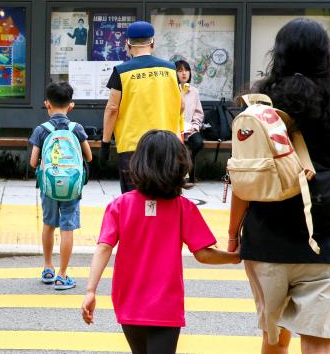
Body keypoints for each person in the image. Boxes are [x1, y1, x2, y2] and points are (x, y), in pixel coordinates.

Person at [228, 18, 330, 354]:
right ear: (325, 58)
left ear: (278, 55)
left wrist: (232, 234)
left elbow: (244, 177)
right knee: (318, 342)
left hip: (265, 242)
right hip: (325, 242)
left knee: (275, 340)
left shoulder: (258, 109)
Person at [82, 130, 240, 354]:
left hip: (128, 302)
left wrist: (90, 290)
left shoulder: (119, 205)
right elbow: (204, 253)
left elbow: (104, 247)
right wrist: (235, 257)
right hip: (166, 306)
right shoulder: (183, 208)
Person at [101, 20, 182, 193]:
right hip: (166, 144)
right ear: (153, 42)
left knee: (134, 199)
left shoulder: (121, 71)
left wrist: (105, 143)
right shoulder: (170, 69)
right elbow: (181, 106)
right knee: (164, 197)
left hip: (132, 146)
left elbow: (112, 109)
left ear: (127, 44)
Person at [29, 82, 92, 290]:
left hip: (48, 187)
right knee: (67, 228)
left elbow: (32, 161)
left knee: (48, 224)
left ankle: (48, 267)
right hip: (72, 188)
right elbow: (89, 157)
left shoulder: (42, 130)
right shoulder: (77, 128)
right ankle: (62, 275)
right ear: (70, 106)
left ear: (47, 104)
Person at [175, 60, 204, 185]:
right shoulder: (171, 89)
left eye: (186, 70)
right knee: (176, 146)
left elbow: (198, 112)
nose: (184, 74)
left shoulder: (194, 91)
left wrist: (195, 126)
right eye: (180, 70)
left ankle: (189, 173)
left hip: (189, 129)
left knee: (198, 143)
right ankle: (181, 176)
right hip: (175, 128)